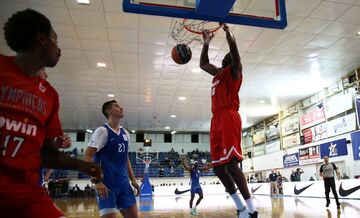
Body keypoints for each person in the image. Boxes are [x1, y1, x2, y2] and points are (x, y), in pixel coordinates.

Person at [0, 9, 102, 217]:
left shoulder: (50, 96)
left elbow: (47, 154)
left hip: (27, 196)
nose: (59, 49)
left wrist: (82, 165)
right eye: (55, 39)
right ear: (41, 39)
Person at [200, 24, 258, 218]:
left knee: (232, 165)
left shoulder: (235, 71)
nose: (227, 55)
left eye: (230, 55)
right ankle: (240, 208)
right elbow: (203, 64)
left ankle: (252, 210)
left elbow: (234, 48)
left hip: (228, 116)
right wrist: (206, 43)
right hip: (216, 119)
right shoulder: (218, 73)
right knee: (218, 168)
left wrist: (228, 33)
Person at [83, 100, 140, 218]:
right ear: (109, 111)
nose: (121, 108)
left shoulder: (126, 133)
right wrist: (97, 181)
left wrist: (133, 180)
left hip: (124, 184)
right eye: (117, 106)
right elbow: (87, 157)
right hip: (107, 185)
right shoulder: (102, 131)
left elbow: (126, 159)